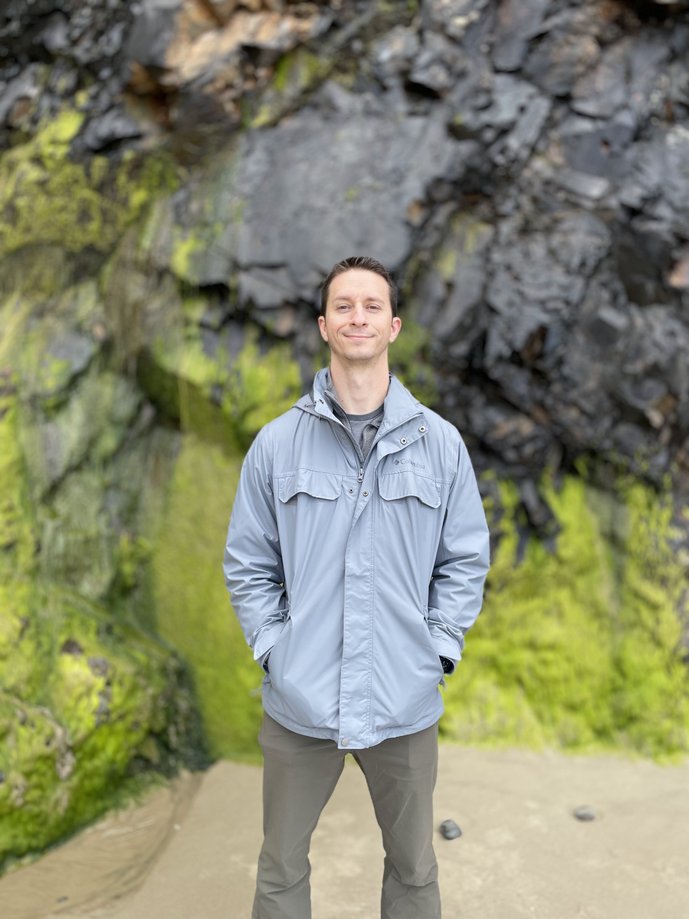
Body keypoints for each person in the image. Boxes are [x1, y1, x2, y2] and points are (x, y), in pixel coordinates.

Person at [223, 255, 490, 919]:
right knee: (281, 864)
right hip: (300, 697)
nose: (357, 317)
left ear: (393, 325)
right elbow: (248, 562)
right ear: (323, 325)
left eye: (371, 305)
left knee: (413, 865)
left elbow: (464, 560)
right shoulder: (276, 444)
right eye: (343, 306)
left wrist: (436, 649)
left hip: (402, 696)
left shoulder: (441, 445)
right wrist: (274, 650)